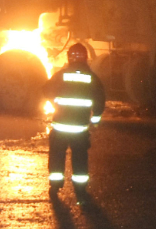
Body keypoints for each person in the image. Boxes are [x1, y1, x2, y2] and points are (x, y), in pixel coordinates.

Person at [44, 43, 106, 198]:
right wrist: (95, 120)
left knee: (57, 155)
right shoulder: (92, 78)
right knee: (80, 157)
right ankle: (80, 189)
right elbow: (100, 100)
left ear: (69, 58)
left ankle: (55, 186)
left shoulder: (61, 75)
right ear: (85, 58)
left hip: (60, 127)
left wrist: (55, 102)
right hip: (80, 128)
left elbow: (46, 90)